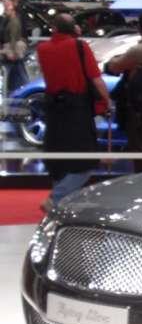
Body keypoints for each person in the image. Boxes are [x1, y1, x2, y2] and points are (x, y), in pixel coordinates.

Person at [37, 14, 111, 211]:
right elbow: (95, 79)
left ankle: (61, 206)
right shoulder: (79, 46)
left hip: (54, 109)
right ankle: (56, 198)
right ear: (74, 28)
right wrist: (107, 100)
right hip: (77, 110)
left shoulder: (42, 49)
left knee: (59, 159)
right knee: (86, 161)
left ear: (54, 28)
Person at [105, 11, 142, 173]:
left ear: (139, 28)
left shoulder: (139, 50)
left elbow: (115, 66)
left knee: (140, 145)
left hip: (141, 104)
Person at [1, 0, 28, 93]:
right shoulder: (7, 19)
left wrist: (12, 51)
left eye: (6, 2)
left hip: (11, 52)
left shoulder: (14, 20)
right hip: (11, 52)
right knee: (19, 75)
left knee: (13, 74)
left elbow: (14, 37)